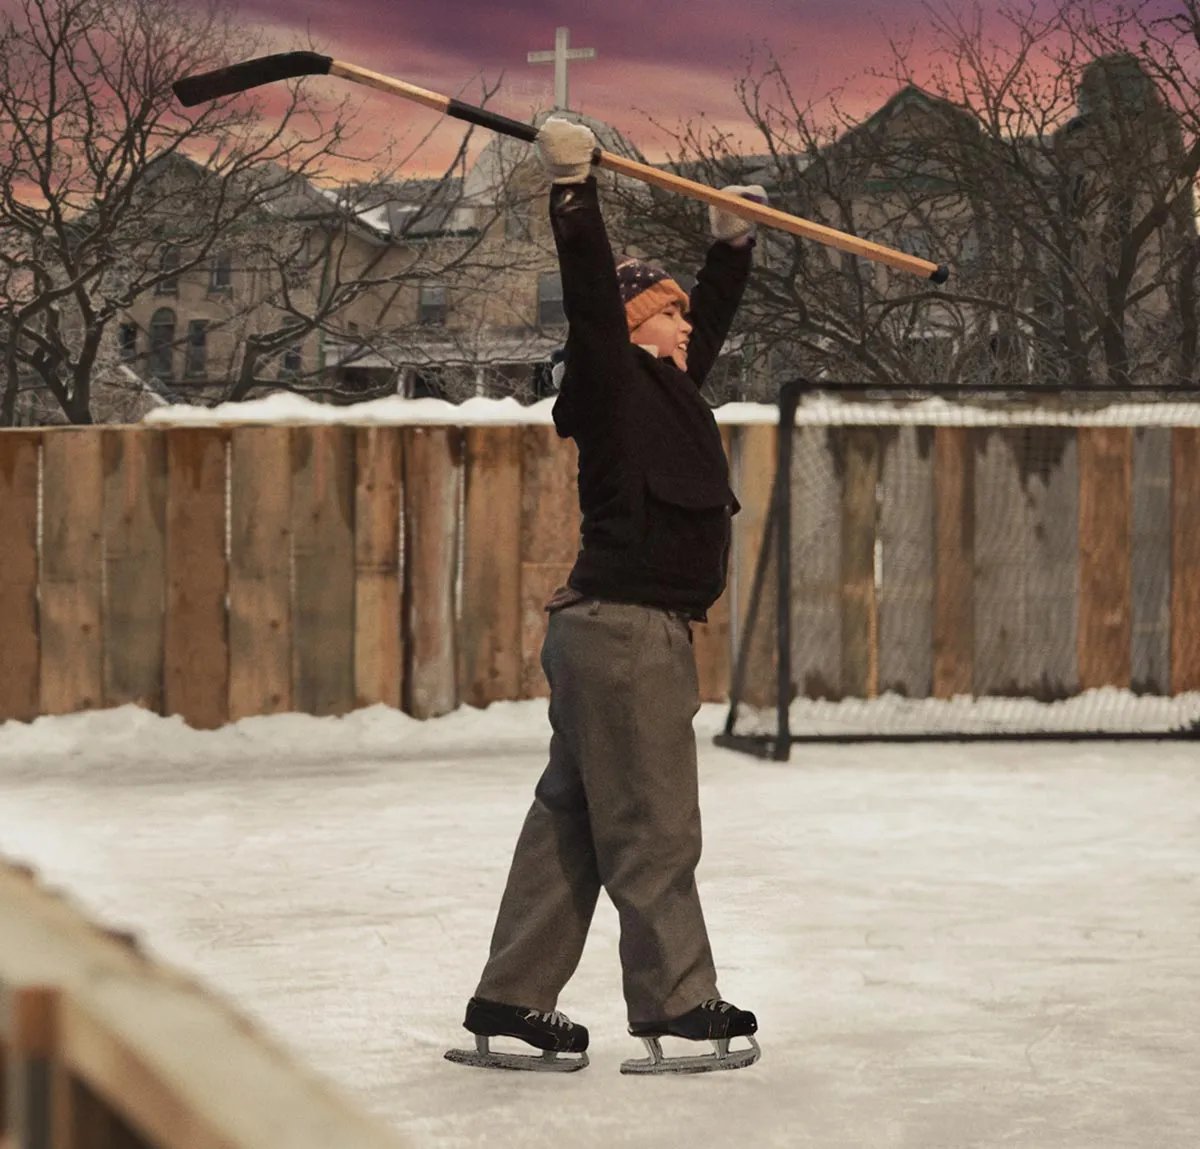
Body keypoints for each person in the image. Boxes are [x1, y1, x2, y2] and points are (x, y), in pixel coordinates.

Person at [445, 117, 765, 1076]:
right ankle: (677, 1007)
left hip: (613, 630)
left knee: (573, 820)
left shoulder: (669, 388)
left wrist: (730, 243)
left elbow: (705, 316)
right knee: (655, 820)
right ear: (633, 328)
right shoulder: (612, 383)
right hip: (624, 632)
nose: (683, 327)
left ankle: (510, 1000)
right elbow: (592, 303)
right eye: (665, 313)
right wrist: (573, 192)